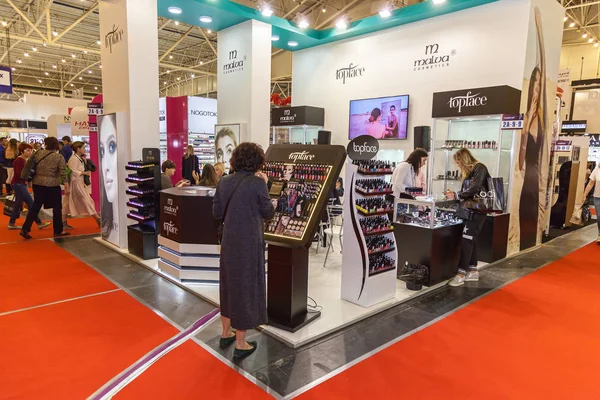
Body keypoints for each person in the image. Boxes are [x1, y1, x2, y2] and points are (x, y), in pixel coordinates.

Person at [212, 142, 275, 360]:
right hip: (249, 243)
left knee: (228, 285)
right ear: (257, 161)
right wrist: (265, 187)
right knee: (246, 288)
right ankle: (241, 343)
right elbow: (268, 213)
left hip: (229, 242)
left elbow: (216, 211)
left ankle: (225, 332)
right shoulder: (257, 184)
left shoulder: (224, 181)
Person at [518, 7, 546, 251]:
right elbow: (519, 163)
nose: (536, 90)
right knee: (525, 222)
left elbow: (544, 64)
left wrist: (538, 27)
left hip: (537, 181)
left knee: (533, 224)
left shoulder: (544, 118)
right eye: (534, 85)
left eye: (540, 85)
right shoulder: (526, 119)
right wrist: (524, 131)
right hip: (527, 181)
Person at [446, 148, 490, 287]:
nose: (458, 165)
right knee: (472, 240)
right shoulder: (472, 172)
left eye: (458, 162)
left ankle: (461, 273)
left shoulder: (480, 168)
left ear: (464, 160)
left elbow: (475, 188)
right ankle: (473, 270)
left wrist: (457, 195)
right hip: (470, 211)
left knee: (467, 241)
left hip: (476, 212)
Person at [20, 137, 70, 239]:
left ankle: (25, 228)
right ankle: (58, 230)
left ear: (46, 144)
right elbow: (62, 171)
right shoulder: (58, 157)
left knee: (36, 206)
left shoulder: (38, 153)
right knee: (57, 208)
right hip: (52, 184)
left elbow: (30, 165)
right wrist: (66, 183)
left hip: (37, 183)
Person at [8, 143, 51, 231]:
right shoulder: (19, 161)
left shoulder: (25, 160)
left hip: (20, 184)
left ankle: (11, 223)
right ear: (22, 151)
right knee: (31, 203)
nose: (30, 152)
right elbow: (19, 174)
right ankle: (39, 222)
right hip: (19, 184)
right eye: (27, 150)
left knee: (18, 204)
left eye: (30, 150)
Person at [62, 142, 101, 230]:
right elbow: (73, 172)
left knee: (67, 202)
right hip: (75, 183)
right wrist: (83, 172)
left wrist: (84, 162)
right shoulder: (74, 159)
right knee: (86, 200)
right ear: (78, 149)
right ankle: (98, 219)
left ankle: (63, 222)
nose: (84, 149)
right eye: (83, 147)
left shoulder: (79, 158)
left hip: (78, 182)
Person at [583, 163, 600, 244]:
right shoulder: (596, 170)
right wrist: (584, 195)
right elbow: (590, 183)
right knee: (599, 216)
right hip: (597, 197)